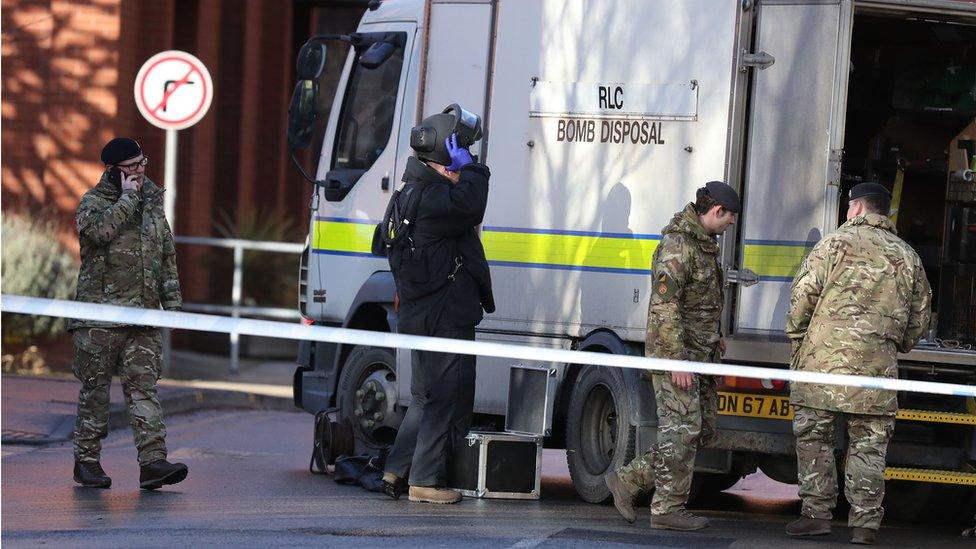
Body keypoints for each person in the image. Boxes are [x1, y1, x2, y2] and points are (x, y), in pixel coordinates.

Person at [785, 182, 931, 545]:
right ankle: (864, 524)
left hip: (821, 364)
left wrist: (799, 341)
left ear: (857, 208)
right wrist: (896, 345)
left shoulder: (831, 245)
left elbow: (801, 299)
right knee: (869, 445)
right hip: (876, 371)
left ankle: (816, 515)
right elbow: (920, 316)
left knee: (814, 438)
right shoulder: (907, 256)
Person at [604, 182, 740, 530]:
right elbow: (666, 307)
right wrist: (676, 361)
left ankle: (630, 479)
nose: (731, 225)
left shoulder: (704, 244)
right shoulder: (679, 245)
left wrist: (716, 337)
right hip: (676, 356)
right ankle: (667, 509)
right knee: (683, 430)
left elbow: (702, 299)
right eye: (730, 218)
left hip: (700, 355)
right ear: (716, 211)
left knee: (701, 430)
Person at [379, 106, 494, 504]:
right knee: (443, 395)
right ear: (443, 163)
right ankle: (424, 482)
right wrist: (475, 169)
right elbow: (472, 206)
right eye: (455, 160)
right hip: (444, 315)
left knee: (424, 396)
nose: (457, 169)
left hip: (419, 313)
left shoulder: (407, 194)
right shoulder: (434, 199)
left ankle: (395, 470)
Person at [69, 137, 188, 490]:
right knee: (96, 391)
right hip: (99, 319)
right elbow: (99, 233)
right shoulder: (93, 204)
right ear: (114, 171)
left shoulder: (153, 205)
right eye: (132, 167)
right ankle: (86, 462)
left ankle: (153, 463)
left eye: (142, 163)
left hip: (144, 317)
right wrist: (127, 199)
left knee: (144, 391)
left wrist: (173, 307)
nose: (140, 171)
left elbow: (166, 256)